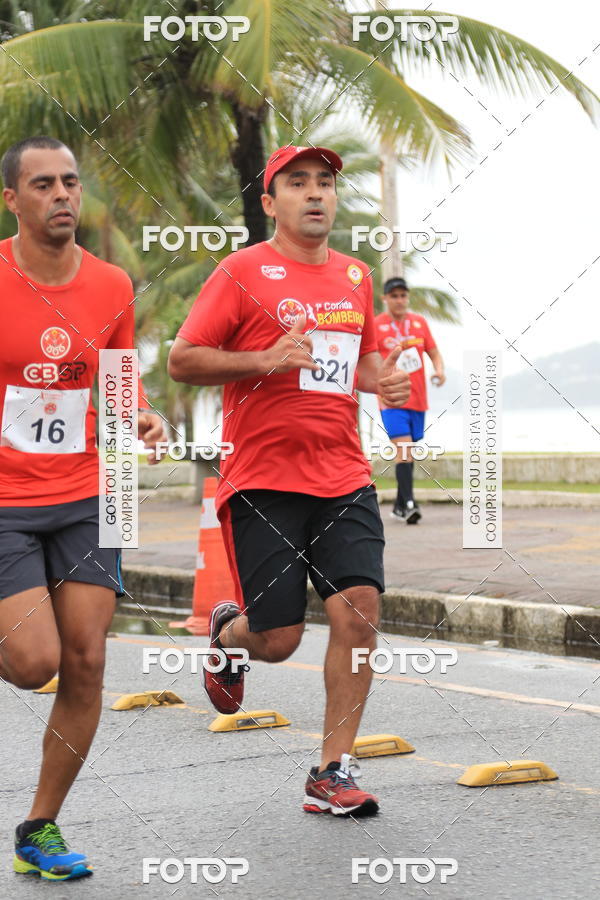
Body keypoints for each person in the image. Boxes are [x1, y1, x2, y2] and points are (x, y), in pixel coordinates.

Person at [169, 145, 410, 817]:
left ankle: (333, 770)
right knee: (279, 640)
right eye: (297, 183)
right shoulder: (241, 272)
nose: (314, 194)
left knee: (360, 615)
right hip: (266, 479)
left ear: (335, 198)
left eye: (325, 183)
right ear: (270, 202)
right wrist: (264, 358)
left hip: (343, 474)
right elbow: (184, 358)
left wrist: (380, 379)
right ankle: (227, 636)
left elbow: (351, 363)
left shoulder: (356, 277)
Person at [0, 136, 164, 880]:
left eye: (70, 181)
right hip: (3, 500)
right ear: (14, 200)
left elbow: (120, 384)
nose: (62, 194)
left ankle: (40, 828)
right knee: (33, 664)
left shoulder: (112, 285)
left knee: (88, 660)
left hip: (89, 493)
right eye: (43, 184)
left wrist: (145, 418)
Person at [374, 277, 445, 524]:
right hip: (391, 400)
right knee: (404, 449)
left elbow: (433, 352)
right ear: (385, 299)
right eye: (394, 296)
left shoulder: (419, 322)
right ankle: (411, 504)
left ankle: (399, 505)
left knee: (409, 451)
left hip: (417, 399)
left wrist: (439, 370)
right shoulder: (376, 325)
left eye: (403, 295)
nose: (399, 300)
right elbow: (368, 359)